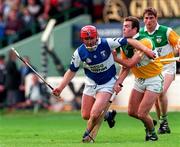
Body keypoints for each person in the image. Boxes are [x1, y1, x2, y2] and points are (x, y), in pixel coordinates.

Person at [52, 25, 156, 142]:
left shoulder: (107, 43)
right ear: (82, 39)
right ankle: (107, 115)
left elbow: (130, 41)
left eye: (92, 38)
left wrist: (147, 50)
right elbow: (71, 71)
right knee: (86, 115)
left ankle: (86, 137)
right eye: (87, 39)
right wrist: (60, 88)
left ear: (97, 36)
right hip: (91, 83)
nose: (90, 41)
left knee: (95, 114)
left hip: (107, 83)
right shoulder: (79, 52)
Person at [113, 16, 163, 141]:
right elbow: (125, 68)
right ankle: (149, 122)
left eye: (127, 26)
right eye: (123, 26)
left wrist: (115, 58)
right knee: (131, 112)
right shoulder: (125, 44)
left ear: (135, 29)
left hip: (154, 79)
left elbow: (130, 63)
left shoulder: (144, 41)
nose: (123, 29)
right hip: (139, 80)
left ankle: (152, 133)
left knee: (141, 113)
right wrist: (118, 83)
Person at [139, 7, 180, 134]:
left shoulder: (166, 31)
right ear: (143, 20)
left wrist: (178, 48)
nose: (149, 20)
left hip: (168, 67)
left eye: (151, 18)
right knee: (156, 96)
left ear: (156, 18)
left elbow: (178, 42)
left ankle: (164, 121)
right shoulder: (141, 34)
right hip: (153, 69)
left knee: (160, 92)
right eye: (146, 18)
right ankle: (163, 123)